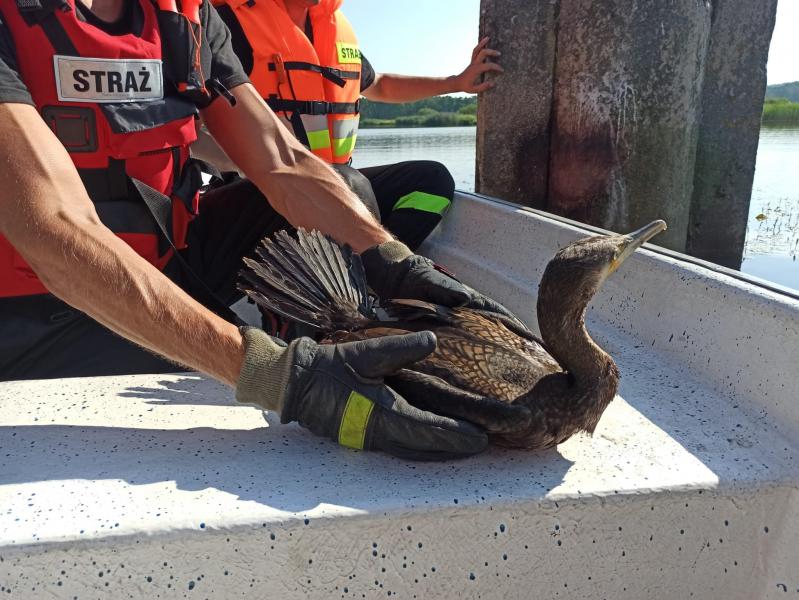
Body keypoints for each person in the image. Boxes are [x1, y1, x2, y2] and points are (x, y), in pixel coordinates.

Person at [0, 0, 523, 460]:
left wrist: (398, 265)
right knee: (199, 373)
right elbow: (51, 228)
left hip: (168, 252)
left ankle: (345, 347)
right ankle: (306, 374)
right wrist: (279, 377)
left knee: (349, 187)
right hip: (31, 312)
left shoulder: (187, 15)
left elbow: (284, 162)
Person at [201, 0, 503, 250]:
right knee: (352, 186)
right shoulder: (230, 23)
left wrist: (456, 83)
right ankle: (343, 293)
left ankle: (381, 280)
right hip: (263, 193)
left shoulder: (331, 31)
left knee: (432, 180)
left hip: (334, 186)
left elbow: (380, 86)